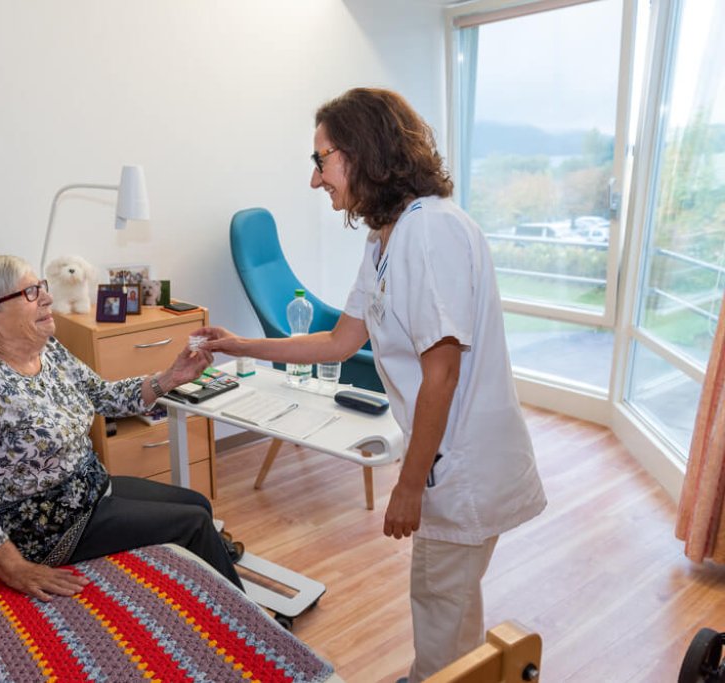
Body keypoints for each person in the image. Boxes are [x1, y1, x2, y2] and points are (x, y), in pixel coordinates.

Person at [197, 88, 546, 681]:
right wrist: (240, 345)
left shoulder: (429, 232)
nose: (316, 180)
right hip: (443, 455)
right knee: (448, 606)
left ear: (361, 152)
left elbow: (443, 370)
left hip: (459, 462)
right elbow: (339, 341)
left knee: (441, 606)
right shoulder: (386, 236)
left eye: (321, 160)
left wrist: (409, 485)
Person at [0, 255, 243, 603]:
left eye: (41, 288)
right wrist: (15, 569)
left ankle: (210, 584)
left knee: (199, 504)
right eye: (29, 292)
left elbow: (105, 396)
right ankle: (251, 627)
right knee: (194, 524)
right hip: (49, 527)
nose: (47, 298)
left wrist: (171, 377)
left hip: (92, 490)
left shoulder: (47, 350)